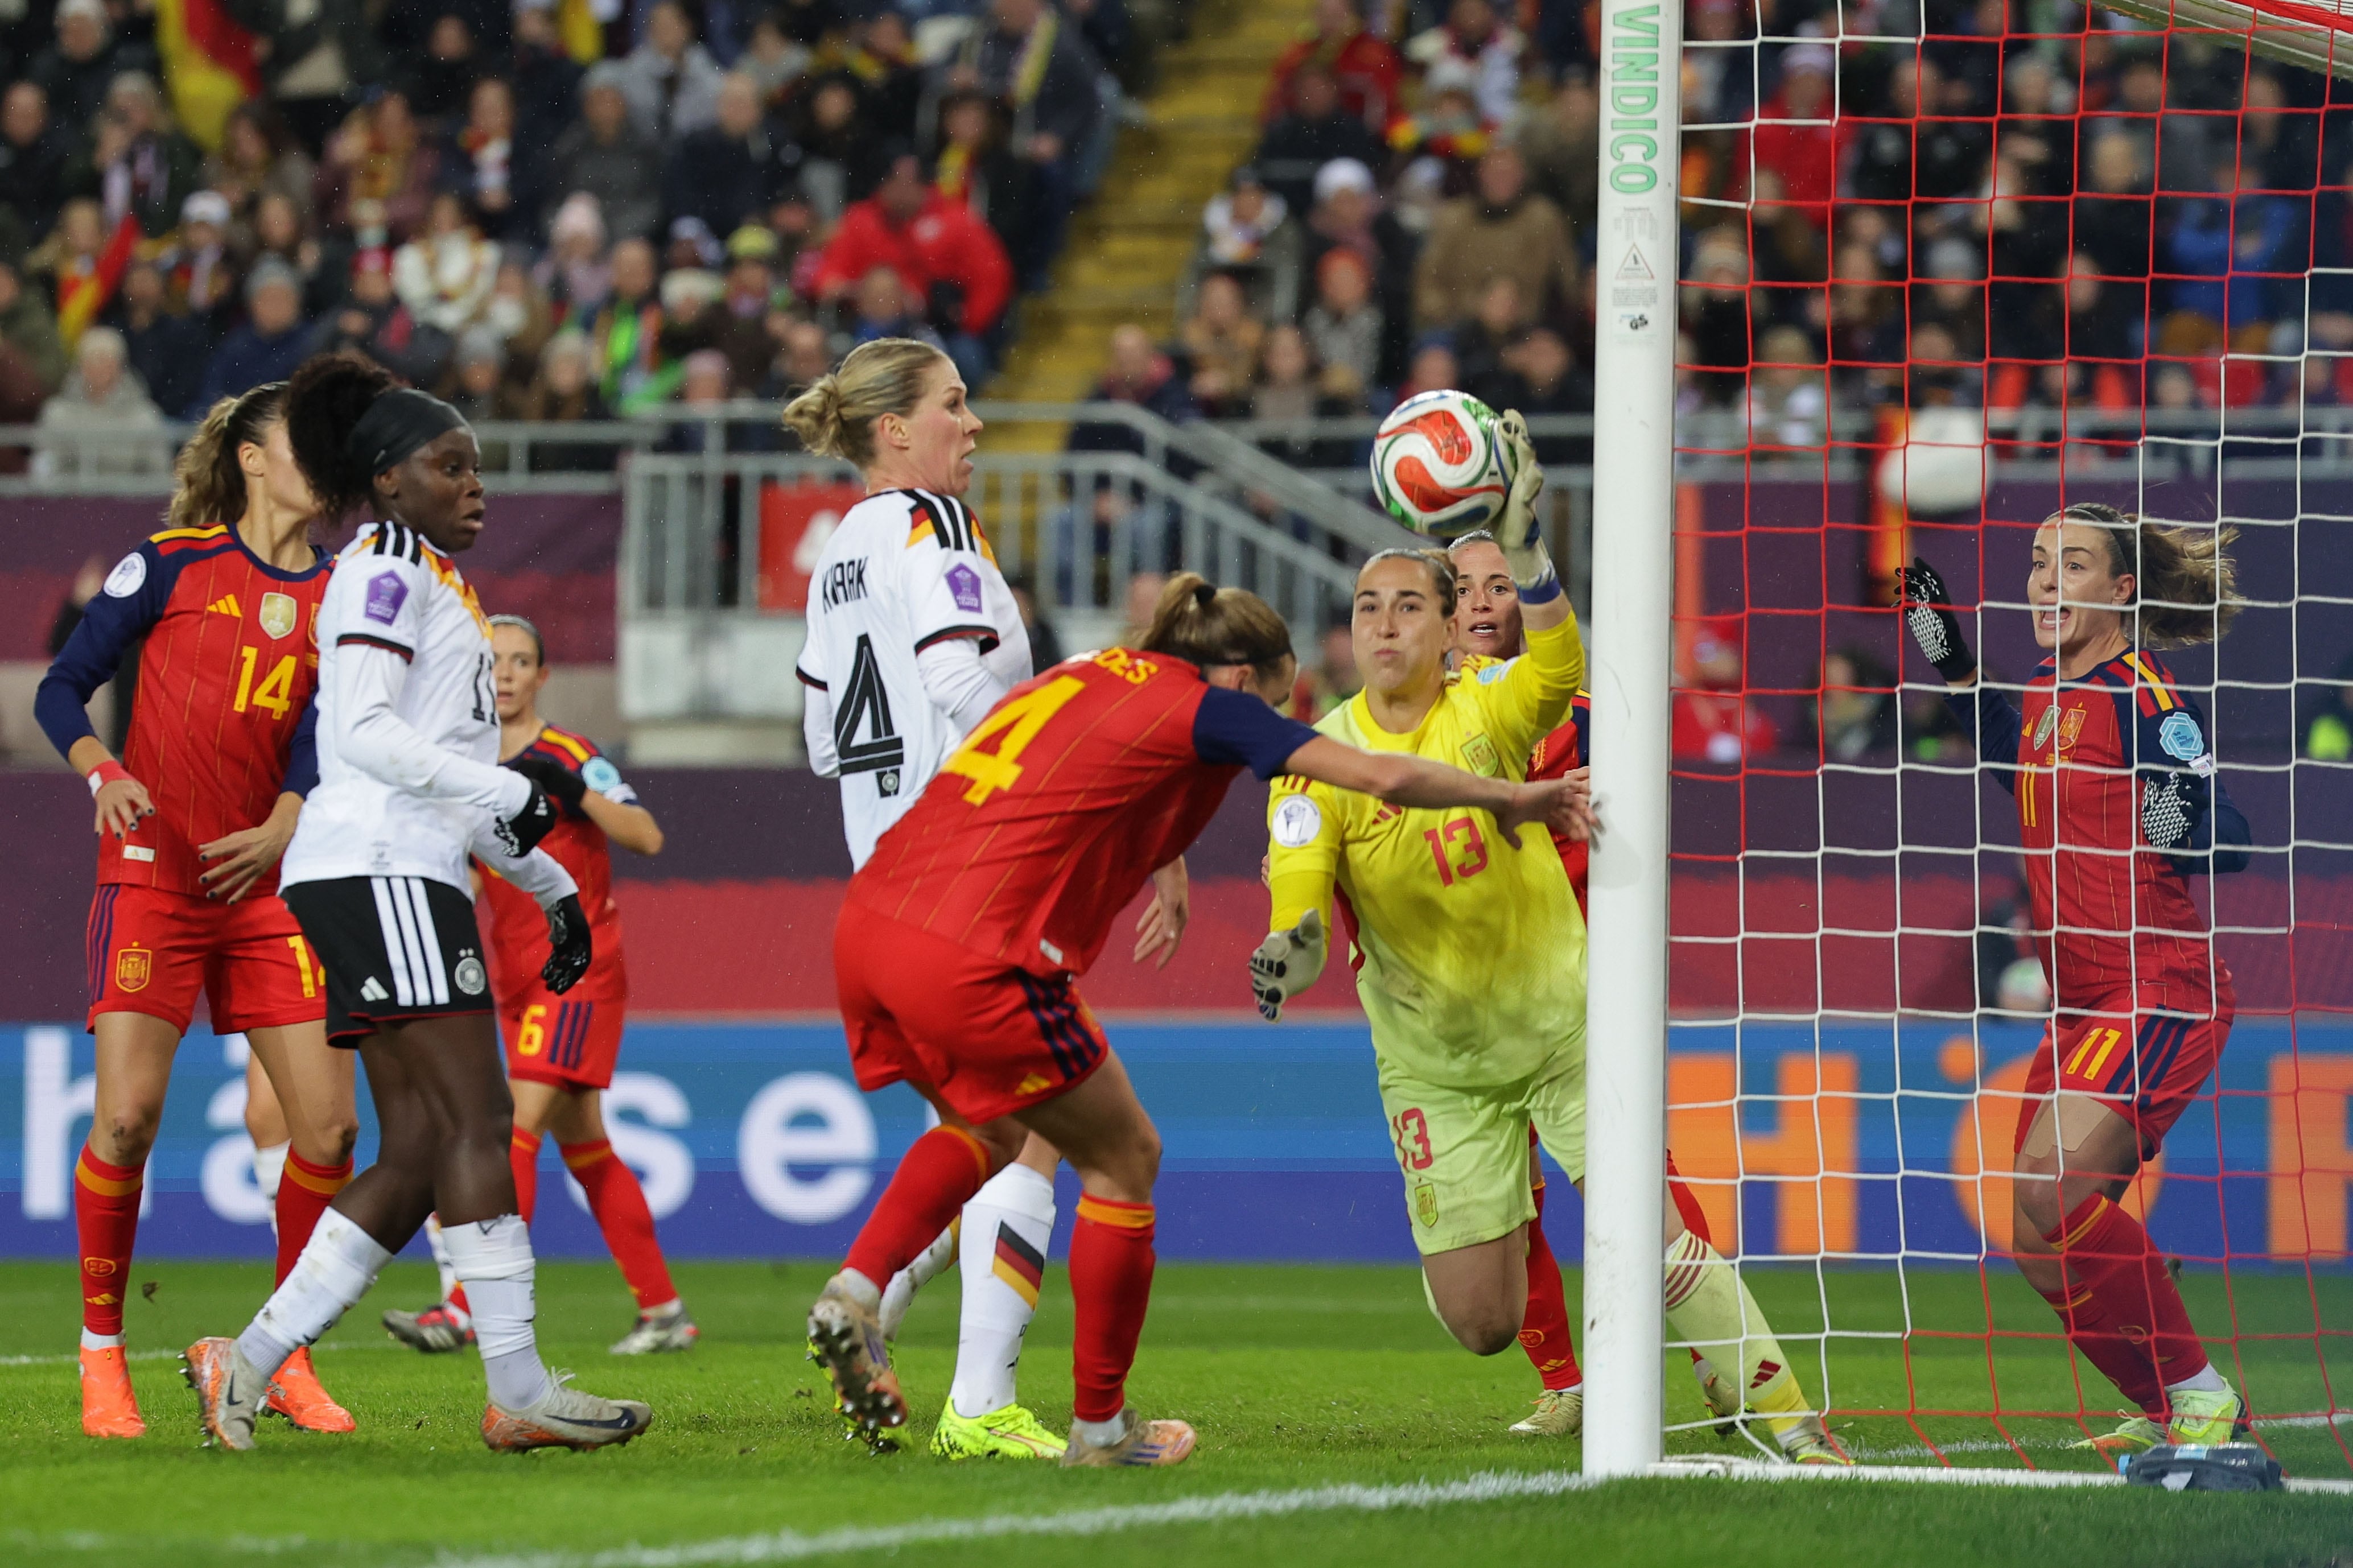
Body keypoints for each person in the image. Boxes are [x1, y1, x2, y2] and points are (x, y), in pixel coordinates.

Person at [806, 569, 1594, 1466]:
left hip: (873, 922)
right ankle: (1102, 1428)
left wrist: (1165, 860)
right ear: (1243, 676)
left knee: (986, 1125)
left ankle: (857, 1290)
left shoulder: (1092, 673)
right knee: (1125, 1155)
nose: (1279, 712)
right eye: (1280, 694)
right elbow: (1379, 773)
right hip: (976, 950)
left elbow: (1080, 777)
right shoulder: (1211, 705)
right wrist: (1512, 798)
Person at [1251, 432, 1847, 1465]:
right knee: (1482, 1322)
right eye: (1365, 608)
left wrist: (1530, 561)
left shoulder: (1489, 706)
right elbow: (1298, 902)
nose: (1384, 624)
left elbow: (1560, 665)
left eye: (1408, 606)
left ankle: (1791, 1420)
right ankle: (1568, 1375)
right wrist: (1290, 953)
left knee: (1652, 1232)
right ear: (1345, 635)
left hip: (1567, 1029)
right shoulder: (1314, 764)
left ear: (1447, 631)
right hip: (1437, 1070)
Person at [182, 352, 649, 1454]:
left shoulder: (428, 575)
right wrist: (510, 791)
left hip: (391, 865)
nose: (475, 483)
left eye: (478, 466)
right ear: (388, 480)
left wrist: (548, 885)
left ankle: (239, 1364)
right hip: (382, 864)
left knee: (414, 1151)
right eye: (452, 465)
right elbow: (366, 738)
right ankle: (521, 1389)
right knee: (481, 1122)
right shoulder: (387, 567)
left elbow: (445, 776)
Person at [1444, 532, 1839, 1456]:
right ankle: (1565, 1382)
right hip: (1466, 991)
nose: (1483, 603)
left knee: (1634, 1183)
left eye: (1503, 586)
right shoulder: (1418, 720)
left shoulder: (1587, 714)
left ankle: (1725, 1365)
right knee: (1509, 1202)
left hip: (1580, 982)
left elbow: (1621, 835)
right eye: (1465, 589)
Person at [32, 381, 359, 1440]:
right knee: (126, 1121)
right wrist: (100, 771)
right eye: (301, 441)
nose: (321, 458)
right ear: (254, 461)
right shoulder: (169, 563)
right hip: (154, 877)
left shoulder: (341, 596)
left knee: (331, 1128)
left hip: (265, 885)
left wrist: (286, 818)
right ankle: (100, 1360)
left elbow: (314, 733)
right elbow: (59, 687)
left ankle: (278, 1352)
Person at [1900, 502, 2252, 1461]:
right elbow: (2016, 763)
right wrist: (1955, 666)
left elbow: (2231, 834)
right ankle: (2166, 1398)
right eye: (2039, 562)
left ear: (2122, 591)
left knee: (2054, 1193)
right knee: (2032, 1233)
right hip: (2081, 1001)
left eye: (2075, 566)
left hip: (2160, 985)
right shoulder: (2056, 694)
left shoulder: (2146, 693)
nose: (2047, 582)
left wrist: (2187, 821)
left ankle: (2205, 1396)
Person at [788, 337, 1066, 1462]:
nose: (975, 423)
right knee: (1048, 1125)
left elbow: (819, 741)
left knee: (978, 1136)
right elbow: (958, 683)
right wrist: (1073, 758)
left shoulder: (836, 556)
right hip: (970, 875)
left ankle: (865, 1310)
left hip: (880, 886)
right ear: (891, 429)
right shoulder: (932, 526)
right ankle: (982, 1399)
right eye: (954, 404)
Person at [382, 615, 693, 1357]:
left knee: (511, 1129)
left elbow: (646, 836)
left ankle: (466, 1305)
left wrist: (573, 793)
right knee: (585, 1145)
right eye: (494, 662)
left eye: (523, 661)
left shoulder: (569, 754)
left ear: (543, 677)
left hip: (577, 969)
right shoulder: (464, 763)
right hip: (514, 973)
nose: (508, 674)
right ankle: (664, 1311)